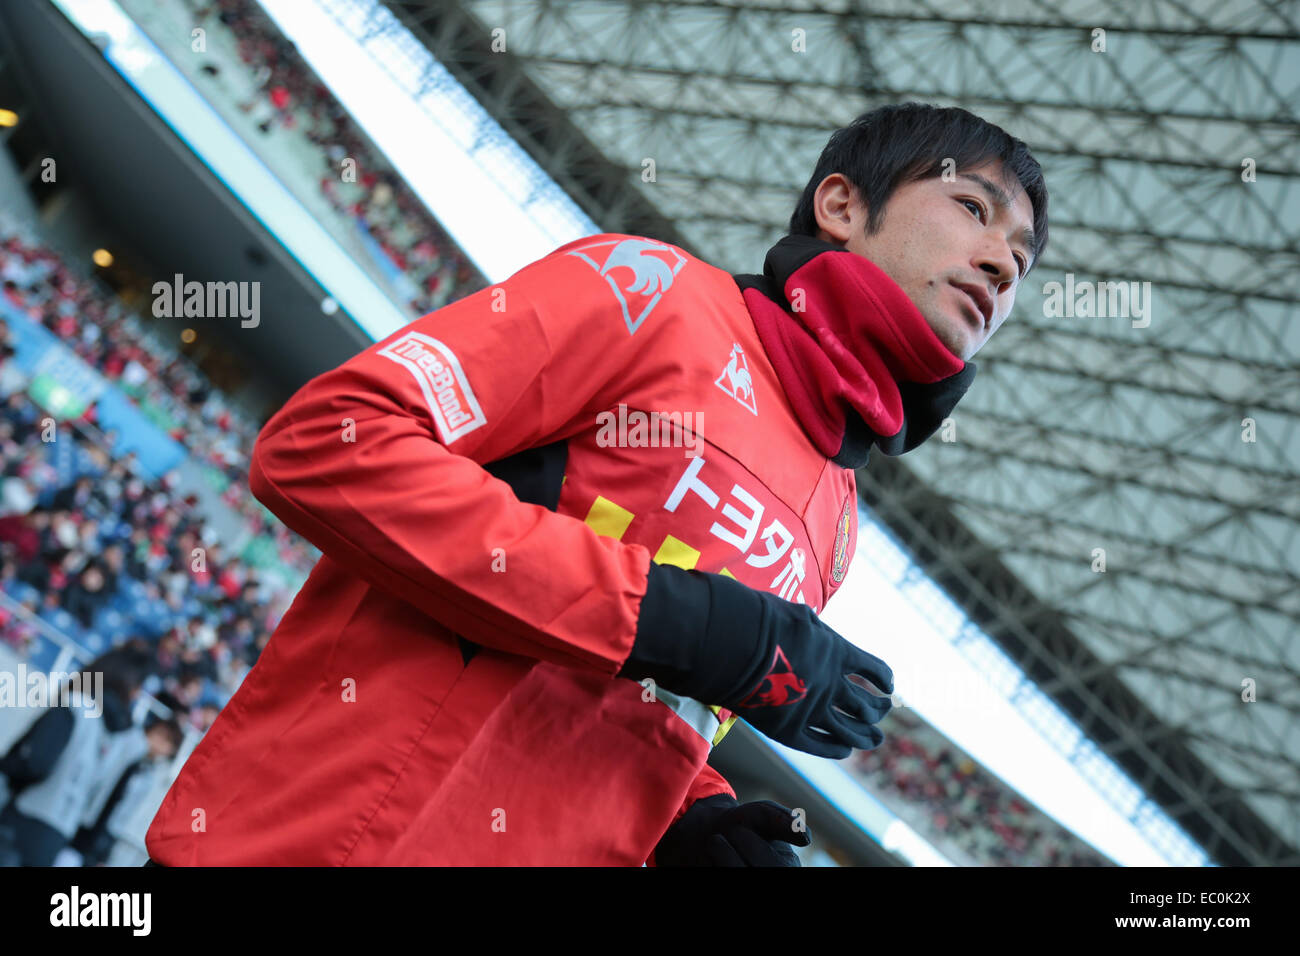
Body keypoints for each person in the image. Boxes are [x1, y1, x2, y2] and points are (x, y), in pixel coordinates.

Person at [144, 102, 1048, 867]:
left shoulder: (836, 522)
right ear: (843, 206)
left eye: (1023, 259)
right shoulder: (647, 293)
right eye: (974, 208)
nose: (1005, 266)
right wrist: (688, 622)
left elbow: (636, 689)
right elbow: (321, 445)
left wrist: (693, 818)